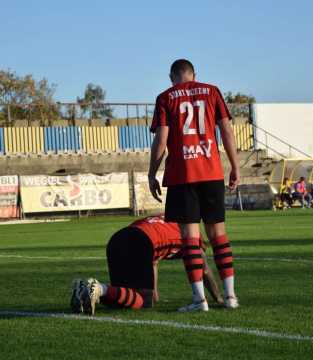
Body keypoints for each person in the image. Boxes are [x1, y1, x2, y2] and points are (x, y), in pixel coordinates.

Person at [148, 59, 239, 312]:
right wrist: (235, 166)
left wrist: (151, 173)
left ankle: (200, 300)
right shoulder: (212, 91)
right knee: (218, 235)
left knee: (190, 239)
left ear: (171, 77)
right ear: (194, 74)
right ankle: (230, 296)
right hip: (211, 172)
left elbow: (162, 139)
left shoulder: (165, 97)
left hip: (182, 175)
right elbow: (227, 131)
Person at [70, 215, 223, 315]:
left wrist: (154, 293)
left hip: (118, 239)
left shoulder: (163, 220)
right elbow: (203, 269)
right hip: (141, 242)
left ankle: (86, 291)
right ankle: (99, 288)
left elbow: (154, 261)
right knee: (143, 302)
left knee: (122, 298)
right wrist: (218, 298)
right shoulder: (190, 233)